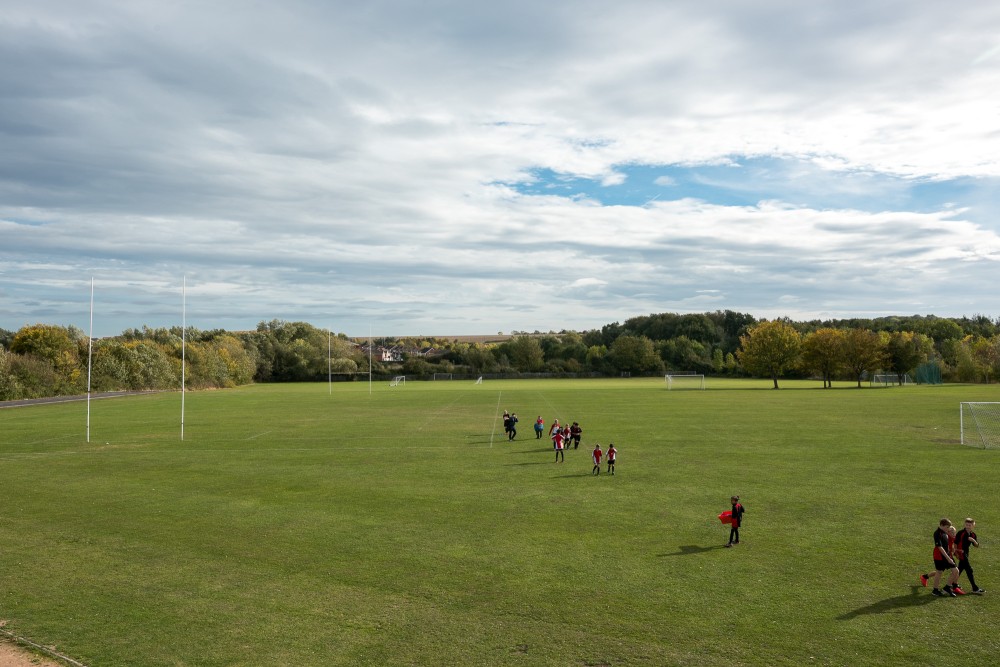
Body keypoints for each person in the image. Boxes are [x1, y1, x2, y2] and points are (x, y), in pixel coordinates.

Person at [920, 518, 960, 596]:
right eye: (947, 527)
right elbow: (939, 547)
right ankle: (935, 590)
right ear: (941, 525)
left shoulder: (945, 532)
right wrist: (948, 558)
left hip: (947, 555)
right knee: (939, 572)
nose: (948, 529)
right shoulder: (937, 533)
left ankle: (947, 587)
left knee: (955, 571)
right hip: (939, 556)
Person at [955, 517, 985, 594]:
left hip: (966, 553)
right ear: (964, 525)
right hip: (961, 553)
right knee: (969, 570)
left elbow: (976, 545)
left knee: (960, 569)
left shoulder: (973, 535)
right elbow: (955, 543)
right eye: (967, 525)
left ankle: (952, 584)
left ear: (973, 526)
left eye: (970, 525)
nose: (968, 526)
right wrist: (956, 553)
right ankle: (974, 588)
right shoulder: (961, 533)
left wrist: (973, 540)